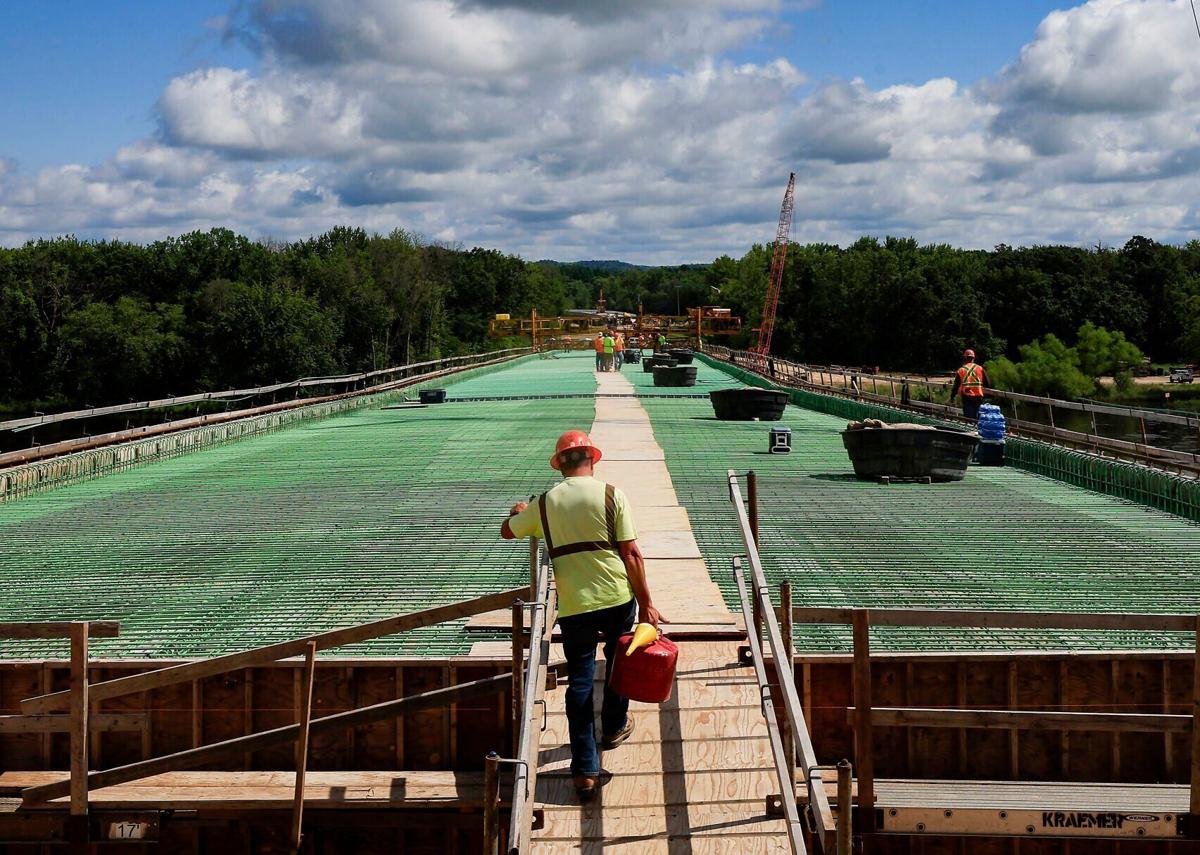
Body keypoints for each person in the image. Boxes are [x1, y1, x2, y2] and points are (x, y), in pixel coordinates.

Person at [501, 431, 666, 800]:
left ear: (559, 464)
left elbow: (506, 532)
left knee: (580, 679)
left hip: (575, 605)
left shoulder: (544, 505)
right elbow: (632, 555)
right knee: (620, 662)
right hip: (617, 597)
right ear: (592, 459)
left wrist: (520, 514)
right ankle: (613, 726)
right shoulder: (612, 495)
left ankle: (585, 770)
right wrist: (647, 604)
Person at [950, 348, 989, 421]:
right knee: (978, 419)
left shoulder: (961, 370)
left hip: (967, 397)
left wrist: (952, 397)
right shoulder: (980, 368)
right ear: (973, 358)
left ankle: (970, 431)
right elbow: (987, 383)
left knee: (969, 420)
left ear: (965, 358)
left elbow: (956, 386)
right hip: (978, 397)